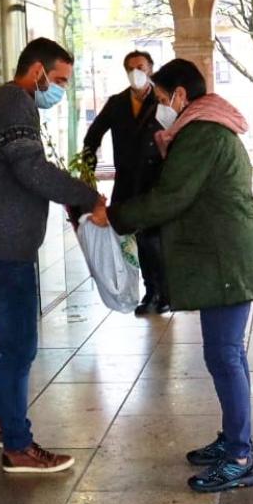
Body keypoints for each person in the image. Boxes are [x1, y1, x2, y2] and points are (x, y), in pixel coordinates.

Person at [107, 59, 253, 493]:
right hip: (225, 253)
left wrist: (116, 215)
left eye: (162, 98)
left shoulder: (201, 133)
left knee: (223, 355)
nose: (160, 106)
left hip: (227, 257)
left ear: (181, 95)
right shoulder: (205, 125)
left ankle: (240, 456)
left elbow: (172, 196)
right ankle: (237, 440)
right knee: (227, 353)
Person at [0, 37, 107, 474]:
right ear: (37, 71)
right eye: (57, 80)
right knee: (19, 345)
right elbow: (31, 169)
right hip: (3, 249)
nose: (58, 90)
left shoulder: (1, 102)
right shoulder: (15, 102)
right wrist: (87, 196)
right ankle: (18, 446)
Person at [81, 50, 169, 316]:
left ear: (151, 69)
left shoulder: (163, 100)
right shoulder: (118, 102)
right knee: (136, 240)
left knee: (153, 238)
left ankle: (160, 293)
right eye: (130, 68)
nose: (136, 72)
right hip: (128, 181)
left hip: (155, 181)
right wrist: (87, 171)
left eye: (140, 66)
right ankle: (151, 290)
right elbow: (93, 134)